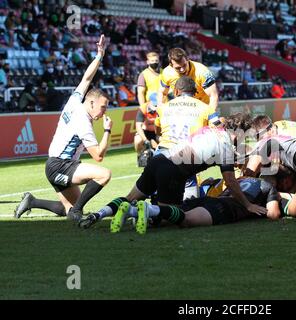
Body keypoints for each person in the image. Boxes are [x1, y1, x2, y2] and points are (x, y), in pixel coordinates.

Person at [79, 113, 267, 230]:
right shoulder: (226, 144)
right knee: (171, 215)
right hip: (173, 172)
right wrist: (248, 205)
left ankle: (99, 214)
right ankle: (137, 211)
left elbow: (221, 125)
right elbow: (231, 183)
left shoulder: (214, 126)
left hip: (159, 160)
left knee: (130, 196)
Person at [14, 35, 113, 222]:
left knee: (68, 209)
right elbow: (98, 156)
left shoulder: (75, 100)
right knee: (104, 174)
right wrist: (107, 130)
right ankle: (76, 212)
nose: (104, 112)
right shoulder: (83, 121)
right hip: (62, 165)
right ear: (91, 103)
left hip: (54, 164)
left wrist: (99, 56)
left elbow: (86, 78)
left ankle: (32, 201)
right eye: (103, 107)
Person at [110, 177, 282, 234]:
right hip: (224, 208)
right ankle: (149, 209)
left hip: (208, 199)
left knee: (169, 219)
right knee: (186, 221)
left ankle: (131, 211)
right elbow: (273, 214)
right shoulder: (268, 186)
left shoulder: (241, 178)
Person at [134, 52, 161, 155]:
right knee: (144, 134)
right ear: (147, 62)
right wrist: (143, 109)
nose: (154, 63)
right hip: (149, 108)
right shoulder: (144, 74)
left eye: (156, 61)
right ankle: (142, 156)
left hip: (162, 107)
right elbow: (140, 92)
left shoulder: (164, 73)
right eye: (152, 61)